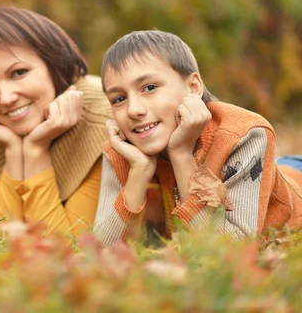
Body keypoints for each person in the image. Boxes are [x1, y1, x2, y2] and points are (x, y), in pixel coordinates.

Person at [93, 30, 302, 246]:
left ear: (193, 87)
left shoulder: (245, 134)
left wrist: (182, 155)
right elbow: (98, 251)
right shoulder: (121, 150)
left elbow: (232, 250)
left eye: (149, 88)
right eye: (119, 98)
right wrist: (139, 171)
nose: (134, 110)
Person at [0, 6, 113, 237]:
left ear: (53, 62)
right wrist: (14, 151)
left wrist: (35, 151)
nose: (6, 98)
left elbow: (67, 250)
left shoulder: (104, 121)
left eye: (18, 73)